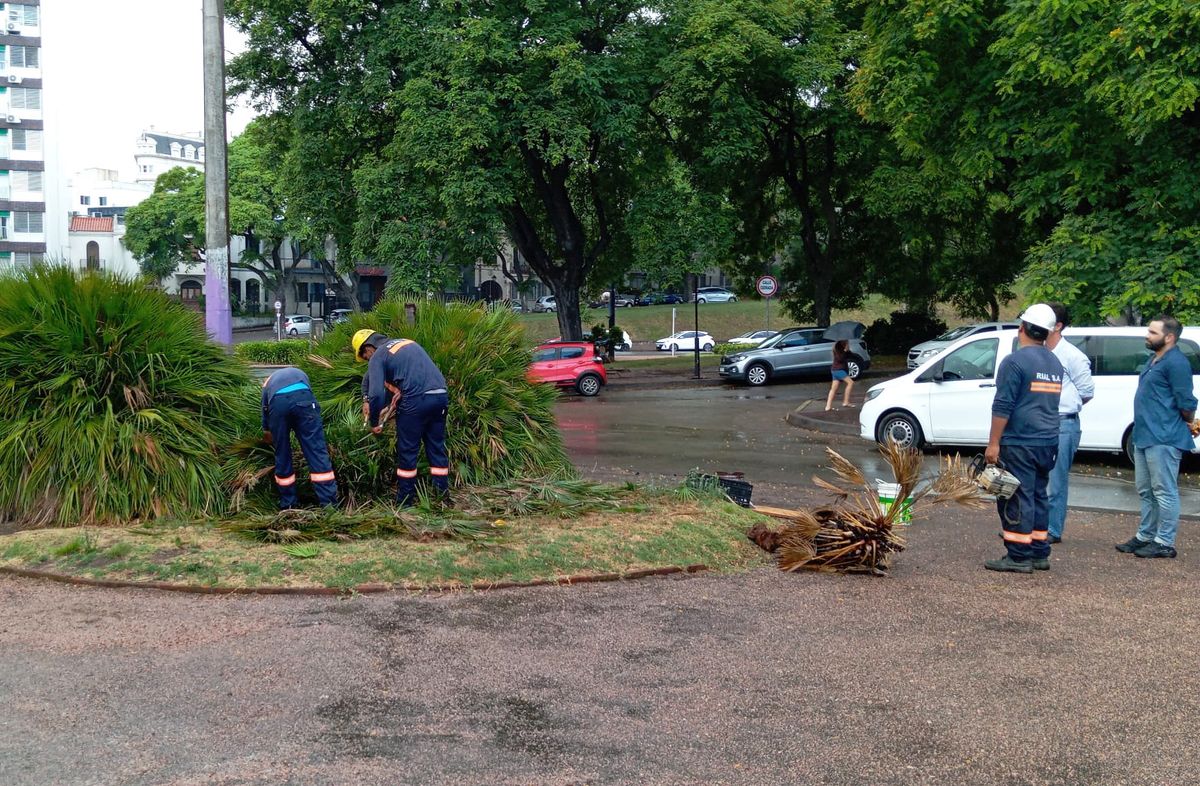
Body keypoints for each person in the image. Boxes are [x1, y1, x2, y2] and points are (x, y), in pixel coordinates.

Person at [983, 304, 1063, 574]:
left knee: (1016, 497)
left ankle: (1018, 555)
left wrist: (994, 443)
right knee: (1039, 495)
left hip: (1020, 441)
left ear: (1022, 329)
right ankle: (1040, 552)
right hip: (1048, 441)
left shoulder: (1014, 361)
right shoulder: (1054, 361)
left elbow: (1003, 405)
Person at [1115, 316, 1198, 559]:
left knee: (1164, 490)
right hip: (1144, 435)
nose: (1147, 335)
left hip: (1163, 436)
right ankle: (1146, 536)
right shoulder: (1154, 358)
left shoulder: (1177, 362)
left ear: (1169, 337)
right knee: (1145, 490)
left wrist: (1184, 420)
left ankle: (1164, 542)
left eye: (1152, 332)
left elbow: (1187, 402)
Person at [352, 328, 450, 507]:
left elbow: (376, 394)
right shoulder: (406, 342)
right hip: (440, 395)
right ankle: (442, 497)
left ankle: (405, 502)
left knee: (407, 451)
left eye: (365, 357)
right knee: (436, 448)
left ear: (368, 348)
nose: (368, 361)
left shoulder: (378, 355)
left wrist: (374, 422)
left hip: (416, 400)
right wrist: (385, 406)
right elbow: (404, 379)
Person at [1045, 302, 1095, 544]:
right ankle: (1035, 529)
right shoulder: (1039, 351)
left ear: (1058, 326)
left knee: (1056, 482)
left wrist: (1064, 407)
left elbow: (1086, 392)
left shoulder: (1073, 355)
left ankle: (1052, 530)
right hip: (1041, 422)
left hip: (1063, 423)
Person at [260, 366, 338, 509]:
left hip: (278, 404)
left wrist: (268, 431)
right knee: (316, 451)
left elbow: (265, 409)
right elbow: (308, 395)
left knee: (282, 453)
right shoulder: (300, 372)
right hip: (305, 400)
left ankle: (289, 504)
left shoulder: (267, 383)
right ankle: (329, 505)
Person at [825, 340, 855, 411]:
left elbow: (851, 356)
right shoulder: (837, 349)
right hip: (839, 370)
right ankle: (846, 402)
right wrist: (845, 351)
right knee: (850, 383)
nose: (848, 344)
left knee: (834, 388)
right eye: (847, 343)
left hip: (835, 370)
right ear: (843, 343)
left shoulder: (841, 349)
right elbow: (840, 359)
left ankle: (828, 406)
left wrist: (848, 350)